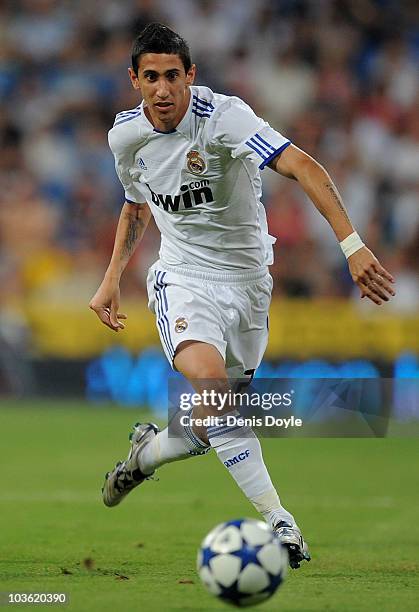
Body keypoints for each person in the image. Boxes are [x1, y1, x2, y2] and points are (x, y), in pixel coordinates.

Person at [89, 23, 395, 569]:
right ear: (134, 80)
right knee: (213, 389)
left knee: (209, 422)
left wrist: (352, 245)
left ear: (191, 76)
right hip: (182, 279)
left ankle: (146, 454)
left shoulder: (225, 118)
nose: (163, 90)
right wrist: (112, 277)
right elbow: (135, 204)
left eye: (174, 77)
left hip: (250, 285)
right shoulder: (125, 136)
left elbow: (303, 166)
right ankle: (281, 523)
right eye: (151, 77)